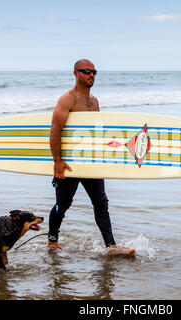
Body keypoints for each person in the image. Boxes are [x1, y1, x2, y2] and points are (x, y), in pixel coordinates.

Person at [46, 59, 135, 256]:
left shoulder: (94, 101)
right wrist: (57, 161)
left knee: (101, 203)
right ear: (76, 73)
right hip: (70, 164)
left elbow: (96, 133)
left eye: (94, 72)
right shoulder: (67, 99)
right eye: (87, 71)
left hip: (90, 163)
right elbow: (55, 131)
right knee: (63, 205)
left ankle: (111, 246)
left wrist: (105, 158)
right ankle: (52, 240)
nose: (91, 75)